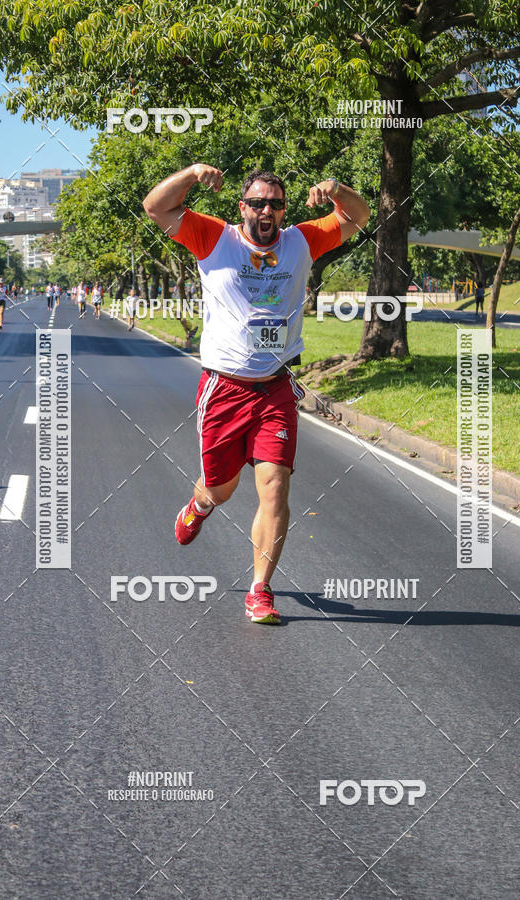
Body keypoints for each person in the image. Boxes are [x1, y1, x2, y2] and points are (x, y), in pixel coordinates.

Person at [143, 164, 369, 625]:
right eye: (258, 203)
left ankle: (259, 590)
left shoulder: (301, 241)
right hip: (224, 388)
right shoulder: (213, 237)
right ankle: (200, 504)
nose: (267, 211)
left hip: (277, 388)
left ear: (284, 211)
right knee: (221, 489)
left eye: (276, 204)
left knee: (275, 489)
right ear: (242, 207)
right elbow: (155, 206)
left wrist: (337, 190)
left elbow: (358, 217)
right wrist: (190, 174)